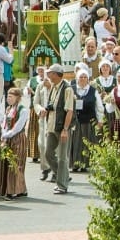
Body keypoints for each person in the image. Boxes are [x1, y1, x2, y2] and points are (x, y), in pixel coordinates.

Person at [43, 64, 75, 195]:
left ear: (56, 74)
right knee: (48, 153)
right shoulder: (54, 87)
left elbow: (69, 111)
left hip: (61, 127)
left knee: (62, 157)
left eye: (50, 73)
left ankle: (62, 185)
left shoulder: (67, 89)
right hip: (52, 126)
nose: (48, 75)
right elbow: (53, 105)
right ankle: (63, 176)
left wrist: (65, 129)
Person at [0, 87, 30, 199]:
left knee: (16, 164)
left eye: (11, 96)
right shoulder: (8, 109)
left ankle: (13, 191)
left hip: (18, 138)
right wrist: (4, 133)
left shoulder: (23, 110)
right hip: (8, 138)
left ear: (17, 98)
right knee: (8, 163)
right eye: (7, 96)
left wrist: (7, 134)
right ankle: (21, 189)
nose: (8, 98)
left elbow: (18, 127)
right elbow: (4, 123)